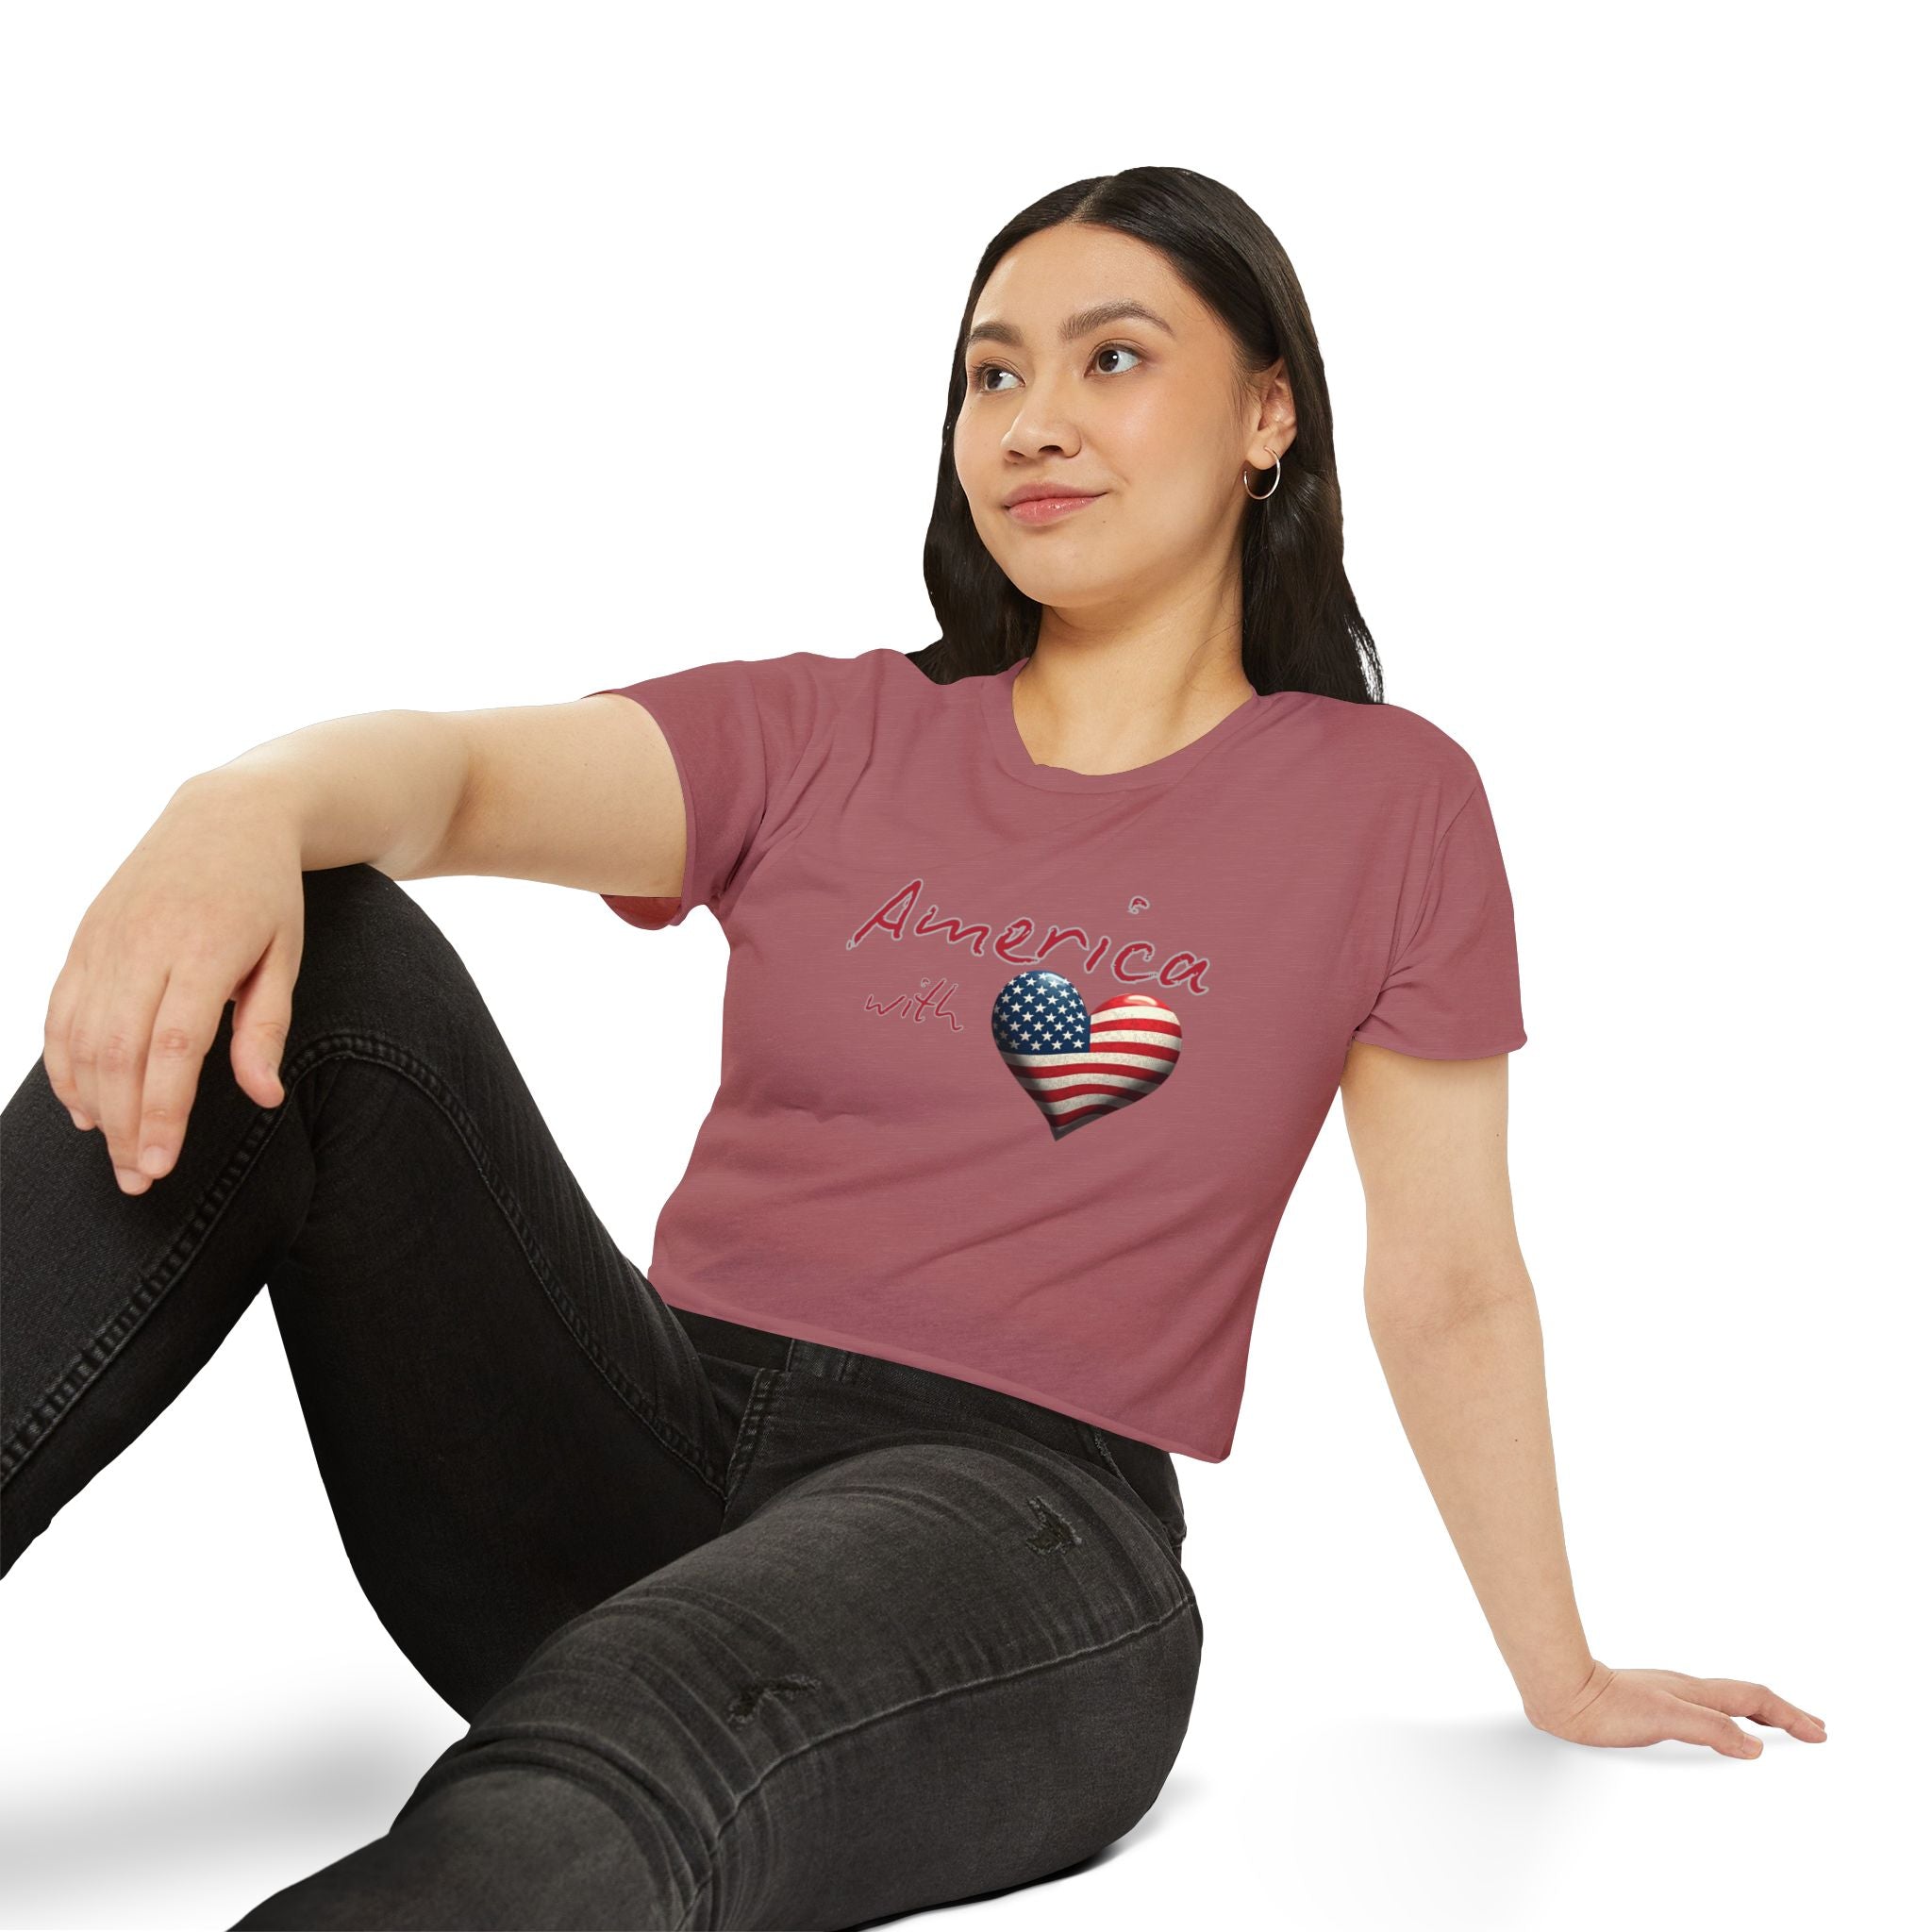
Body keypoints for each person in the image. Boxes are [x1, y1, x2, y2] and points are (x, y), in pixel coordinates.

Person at [0, 165, 1824, 1930]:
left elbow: (1446, 1282)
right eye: (991, 371)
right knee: (324, 955)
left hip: (1018, 1525)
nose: (1033, 417)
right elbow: (455, 776)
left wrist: (1559, 1669)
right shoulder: (834, 733)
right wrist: (230, 807)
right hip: (642, 1440)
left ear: (1269, 414)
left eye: (1112, 358)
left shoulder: (1387, 803)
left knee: (630, 1734)